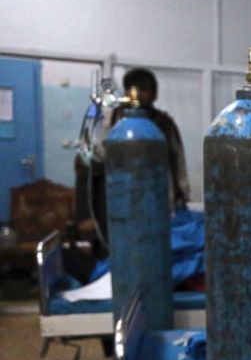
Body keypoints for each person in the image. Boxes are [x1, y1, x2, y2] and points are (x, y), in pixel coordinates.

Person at [75, 67, 190, 256]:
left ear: (154, 94)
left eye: (146, 89)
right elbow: (90, 160)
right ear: (127, 91)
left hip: (155, 203)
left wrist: (182, 198)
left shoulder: (164, 124)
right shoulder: (111, 119)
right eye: (134, 88)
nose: (140, 94)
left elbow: (178, 164)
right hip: (116, 202)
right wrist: (85, 215)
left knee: (151, 254)